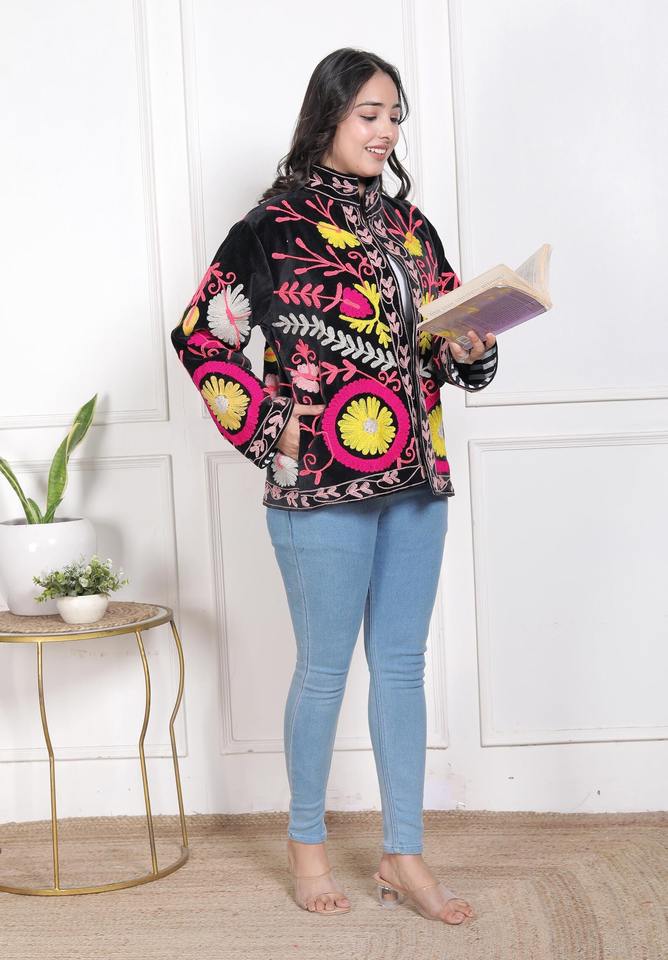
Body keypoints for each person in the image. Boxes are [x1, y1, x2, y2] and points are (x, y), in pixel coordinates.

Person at [171, 47, 498, 923]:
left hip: (417, 477)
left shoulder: (411, 228)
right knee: (322, 672)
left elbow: (444, 340)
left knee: (401, 668)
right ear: (328, 117)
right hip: (320, 481)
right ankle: (307, 847)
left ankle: (403, 855)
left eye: (395, 117)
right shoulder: (270, 227)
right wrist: (271, 424)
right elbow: (201, 336)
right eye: (369, 115)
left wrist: (470, 347)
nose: (385, 132)